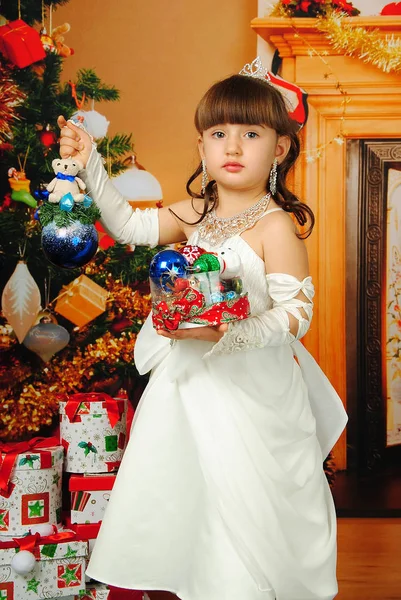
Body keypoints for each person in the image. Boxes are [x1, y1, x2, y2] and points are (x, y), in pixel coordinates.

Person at [57, 59, 347, 600]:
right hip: (186, 389)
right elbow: (128, 225)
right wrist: (91, 163)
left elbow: (295, 314)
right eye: (218, 134)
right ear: (202, 148)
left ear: (280, 148)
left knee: (248, 504)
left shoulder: (274, 225)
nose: (232, 147)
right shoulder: (196, 213)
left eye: (250, 133)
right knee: (194, 501)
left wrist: (229, 334)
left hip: (252, 393)